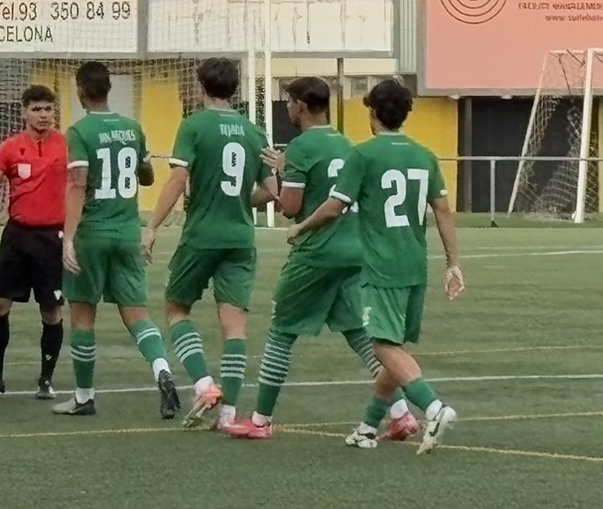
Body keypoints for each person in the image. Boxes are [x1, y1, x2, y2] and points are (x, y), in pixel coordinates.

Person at [304, 79, 465, 453]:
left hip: (381, 267)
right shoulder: (425, 155)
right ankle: (366, 428)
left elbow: (334, 207)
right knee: (393, 348)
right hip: (415, 266)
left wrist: (300, 226)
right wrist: (454, 264)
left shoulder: (364, 155)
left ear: (373, 113)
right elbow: (442, 210)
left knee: (382, 348)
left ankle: (434, 408)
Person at [222, 77, 369, 442]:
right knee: (358, 333)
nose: (287, 106)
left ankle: (260, 420)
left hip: (318, 251)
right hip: (353, 248)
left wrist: (281, 171)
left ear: (302, 105)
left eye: (289, 100)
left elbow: (290, 208)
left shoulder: (302, 147)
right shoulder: (345, 143)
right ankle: (400, 413)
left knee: (281, 331)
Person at [142, 58, 276, 430]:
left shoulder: (194, 125)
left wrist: (152, 226)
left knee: (176, 309)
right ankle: (228, 414)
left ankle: (203, 384)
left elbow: (177, 179)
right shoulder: (254, 132)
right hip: (240, 237)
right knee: (235, 327)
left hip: (202, 235)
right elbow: (271, 190)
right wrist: (238, 202)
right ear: (235, 89)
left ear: (201, 87)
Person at [55, 62, 179, 420]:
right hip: (127, 233)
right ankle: (162, 370)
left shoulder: (79, 132)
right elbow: (147, 175)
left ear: (80, 91)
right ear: (108, 89)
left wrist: (68, 238)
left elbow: (77, 185)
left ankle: (84, 396)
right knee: (137, 314)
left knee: (83, 315)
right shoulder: (132, 128)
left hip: (93, 234)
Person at [0, 84, 67, 399]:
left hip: (53, 238)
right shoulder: (10, 147)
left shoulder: (67, 146)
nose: (43, 115)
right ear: (24, 112)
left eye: (48, 109)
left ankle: (46, 381)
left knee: (51, 311)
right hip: (17, 236)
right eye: (36, 109)